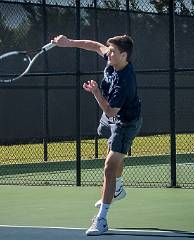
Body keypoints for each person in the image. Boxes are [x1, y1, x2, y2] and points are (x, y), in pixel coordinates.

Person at [52, 34, 142, 236]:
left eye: (112, 51)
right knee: (111, 150)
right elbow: (94, 46)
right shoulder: (112, 59)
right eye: (109, 50)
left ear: (124, 55)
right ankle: (117, 187)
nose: (108, 53)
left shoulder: (124, 81)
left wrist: (96, 93)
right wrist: (69, 43)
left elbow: (111, 111)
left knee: (109, 166)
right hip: (109, 120)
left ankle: (101, 220)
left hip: (125, 122)